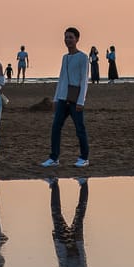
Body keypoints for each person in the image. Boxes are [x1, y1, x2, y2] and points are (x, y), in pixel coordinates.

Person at [41, 27, 91, 169]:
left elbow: (84, 80)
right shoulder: (65, 57)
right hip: (63, 98)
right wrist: (56, 99)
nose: (68, 40)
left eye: (70, 37)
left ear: (77, 39)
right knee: (56, 127)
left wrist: (81, 101)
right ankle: (54, 157)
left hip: (75, 99)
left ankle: (84, 157)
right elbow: (61, 78)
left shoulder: (83, 57)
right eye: (66, 37)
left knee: (80, 129)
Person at [49, 176, 89, 267]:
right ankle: (84, 183)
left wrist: (56, 242)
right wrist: (75, 247)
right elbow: (83, 263)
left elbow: (61, 261)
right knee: (80, 212)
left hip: (63, 244)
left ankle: (54, 184)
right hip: (75, 243)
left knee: (56, 213)